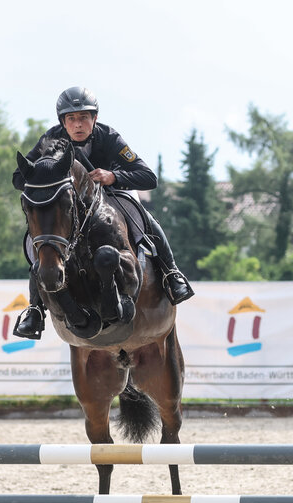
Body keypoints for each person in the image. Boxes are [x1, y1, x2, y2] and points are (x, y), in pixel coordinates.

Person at [11, 86, 194, 339]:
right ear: (63, 122)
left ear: (94, 119)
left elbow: (148, 177)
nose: (77, 125)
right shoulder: (51, 138)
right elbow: (19, 178)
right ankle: (35, 310)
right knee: (43, 238)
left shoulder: (108, 136)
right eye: (71, 119)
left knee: (144, 217)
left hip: (110, 195)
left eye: (83, 117)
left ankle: (171, 273)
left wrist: (114, 176)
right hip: (72, 204)